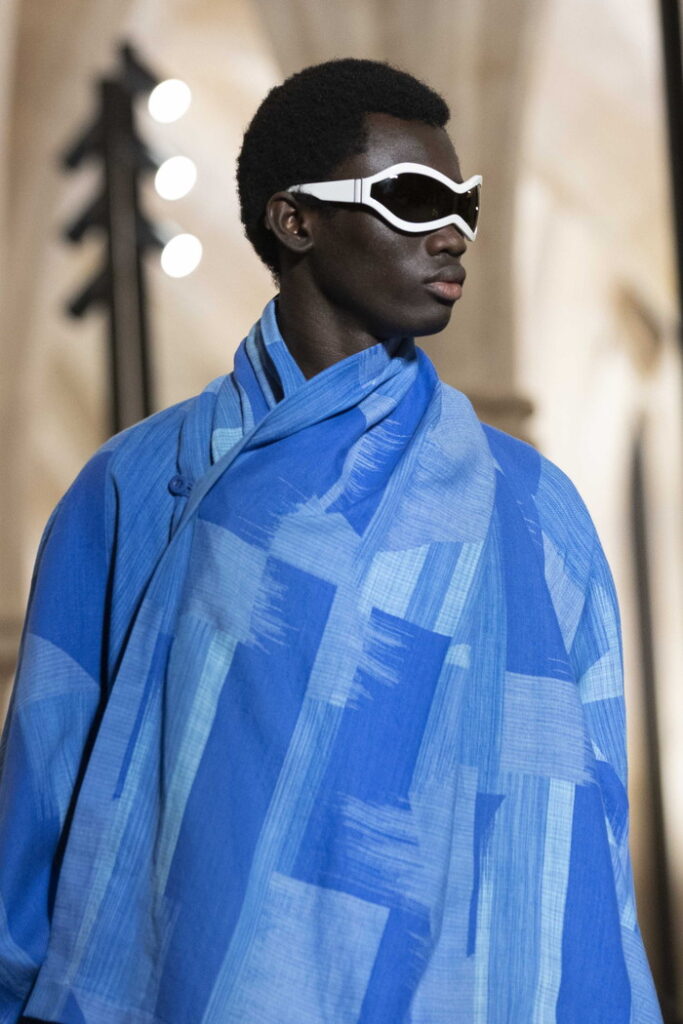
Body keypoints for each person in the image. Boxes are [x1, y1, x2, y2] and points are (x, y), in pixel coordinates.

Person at [0, 57, 663, 1024]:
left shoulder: (531, 505)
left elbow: (589, 814)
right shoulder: (136, 487)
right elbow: (46, 782)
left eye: (466, 205)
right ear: (295, 219)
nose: (452, 233)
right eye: (414, 198)